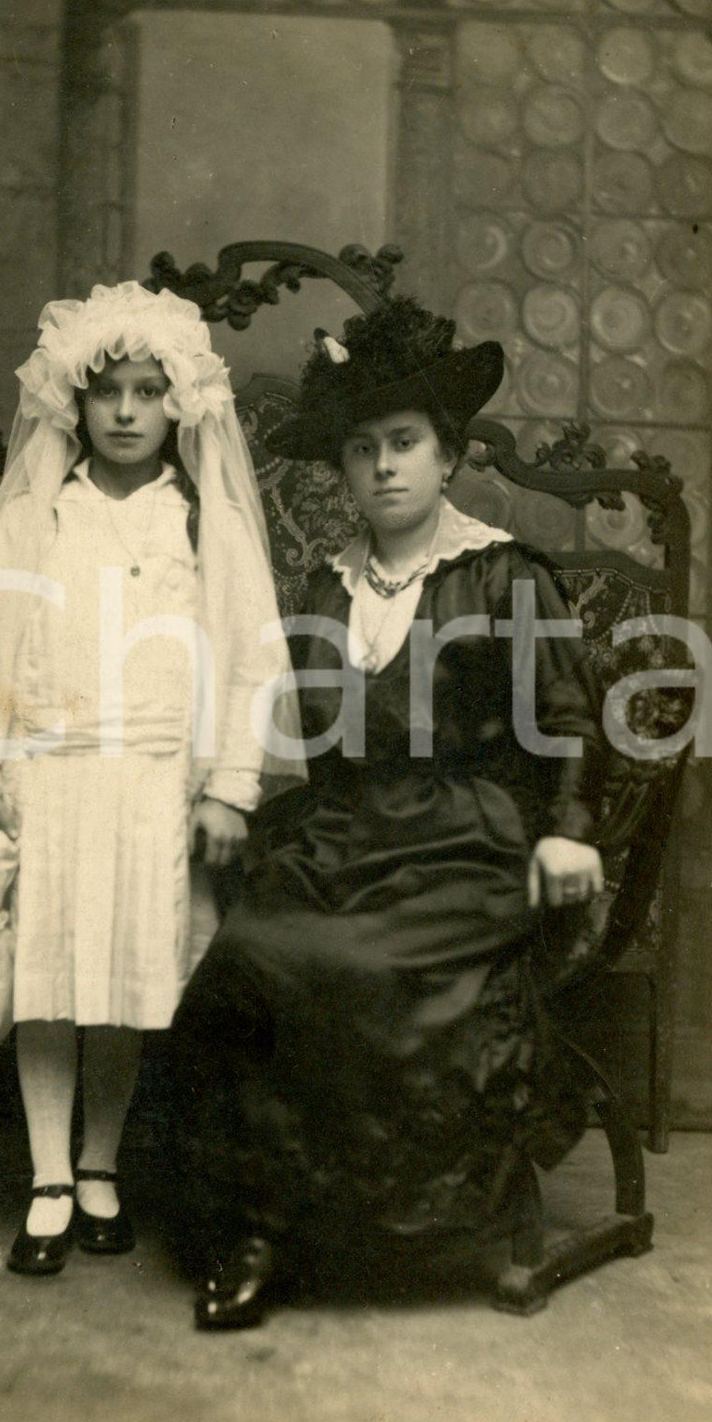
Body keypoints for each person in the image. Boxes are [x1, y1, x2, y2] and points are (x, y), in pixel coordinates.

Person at [170, 296, 607, 1329]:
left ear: (447, 455)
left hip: (472, 841)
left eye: (404, 443)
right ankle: (260, 1227)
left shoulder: (505, 575)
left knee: (358, 964)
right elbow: (288, 732)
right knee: (253, 954)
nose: (383, 466)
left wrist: (566, 828)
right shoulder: (324, 591)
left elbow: (569, 719)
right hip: (341, 834)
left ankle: (428, 1217)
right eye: (362, 448)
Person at [0, 282, 300, 1276]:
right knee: (46, 976)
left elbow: (249, 659)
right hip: (49, 776)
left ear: (180, 406)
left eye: (146, 392)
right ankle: (43, 1176)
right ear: (72, 404)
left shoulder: (201, 524)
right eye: (106, 391)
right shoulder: (39, 516)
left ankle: (98, 1164)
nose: (124, 411)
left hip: (154, 784)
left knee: (119, 980)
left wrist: (226, 786)